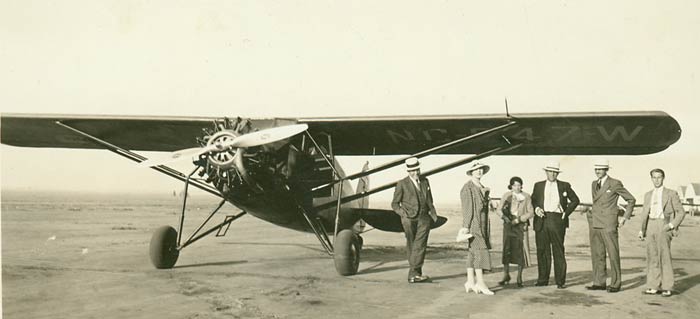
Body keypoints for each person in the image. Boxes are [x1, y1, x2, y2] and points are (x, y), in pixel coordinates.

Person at [586, 159, 636, 293]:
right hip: (595, 223)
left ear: (606, 170)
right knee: (597, 254)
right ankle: (599, 282)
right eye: (596, 169)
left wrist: (625, 217)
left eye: (601, 169)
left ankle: (615, 283)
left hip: (608, 223)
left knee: (613, 254)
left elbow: (631, 199)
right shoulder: (593, 184)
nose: (598, 172)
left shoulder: (614, 183)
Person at [531, 162, 580, 289]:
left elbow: (575, 200)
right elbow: (533, 200)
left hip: (557, 220)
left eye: (555, 172)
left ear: (557, 173)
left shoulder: (564, 185)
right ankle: (542, 280)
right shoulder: (538, 185)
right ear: (546, 172)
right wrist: (536, 208)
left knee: (558, 251)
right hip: (541, 220)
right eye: (550, 171)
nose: (552, 174)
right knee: (542, 251)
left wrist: (566, 213)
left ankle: (560, 281)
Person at [391, 157, 439, 283]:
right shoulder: (402, 184)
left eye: (417, 170)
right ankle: (416, 273)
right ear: (408, 171)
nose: (416, 173)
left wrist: (433, 213)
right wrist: (403, 214)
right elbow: (395, 204)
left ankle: (413, 273)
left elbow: (430, 199)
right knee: (412, 245)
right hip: (409, 219)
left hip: (424, 217)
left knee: (420, 244)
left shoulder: (425, 181)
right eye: (412, 171)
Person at [638, 168, 685, 297]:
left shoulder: (671, 193)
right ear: (651, 178)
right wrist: (642, 230)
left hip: (664, 225)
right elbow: (644, 214)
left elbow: (681, 212)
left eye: (659, 177)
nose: (656, 180)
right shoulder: (648, 195)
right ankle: (653, 285)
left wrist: (671, 225)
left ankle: (667, 286)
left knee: (664, 256)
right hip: (650, 226)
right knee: (652, 256)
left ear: (663, 178)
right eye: (654, 177)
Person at [461, 162, 494, 295]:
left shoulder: (481, 186)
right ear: (471, 172)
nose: (479, 171)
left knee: (473, 253)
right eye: (476, 170)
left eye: (481, 169)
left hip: (483, 223)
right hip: (475, 223)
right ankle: (480, 283)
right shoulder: (467, 188)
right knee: (481, 252)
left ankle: (470, 281)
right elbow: (467, 208)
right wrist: (466, 226)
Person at [496, 176, 534, 288]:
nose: (517, 187)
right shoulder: (506, 195)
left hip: (521, 226)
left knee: (520, 251)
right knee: (506, 249)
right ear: (511, 186)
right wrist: (504, 217)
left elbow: (531, 212)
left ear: (521, 186)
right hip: (508, 225)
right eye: (514, 185)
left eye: (519, 185)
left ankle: (519, 277)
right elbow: (498, 210)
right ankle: (506, 275)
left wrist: (519, 219)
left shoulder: (526, 196)